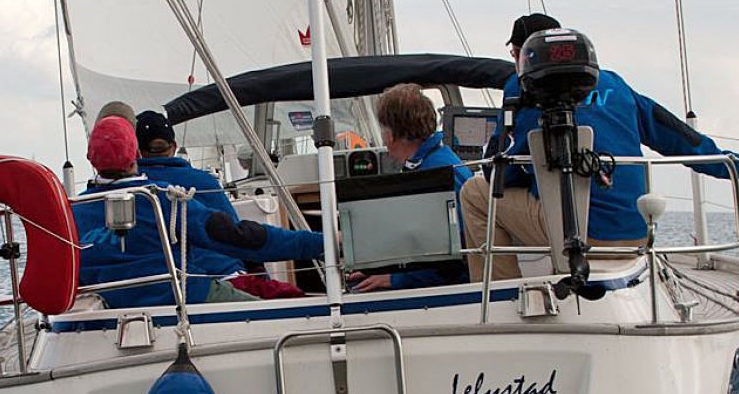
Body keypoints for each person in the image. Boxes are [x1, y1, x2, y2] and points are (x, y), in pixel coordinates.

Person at [460, 13, 739, 280]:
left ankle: (500, 294)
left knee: (474, 194)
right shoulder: (616, 84)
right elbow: (675, 135)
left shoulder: (524, 90)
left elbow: (502, 174)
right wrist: (733, 163)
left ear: (524, 56)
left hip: (579, 235)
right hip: (638, 231)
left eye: (515, 55)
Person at [73, 117, 322, 308]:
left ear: (90, 158)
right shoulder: (163, 198)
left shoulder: (73, 210)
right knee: (282, 314)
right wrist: (320, 243)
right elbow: (239, 238)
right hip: (182, 298)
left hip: (111, 311)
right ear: (135, 154)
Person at [347, 84, 473, 292]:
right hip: (437, 273)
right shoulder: (438, 159)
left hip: (450, 283)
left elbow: (452, 259)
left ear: (391, 134)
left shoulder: (432, 175)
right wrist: (384, 268)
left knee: (356, 292)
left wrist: (396, 279)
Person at [134, 110, 240, 218]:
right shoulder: (205, 182)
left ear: (138, 150)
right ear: (174, 147)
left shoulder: (131, 186)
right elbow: (232, 223)